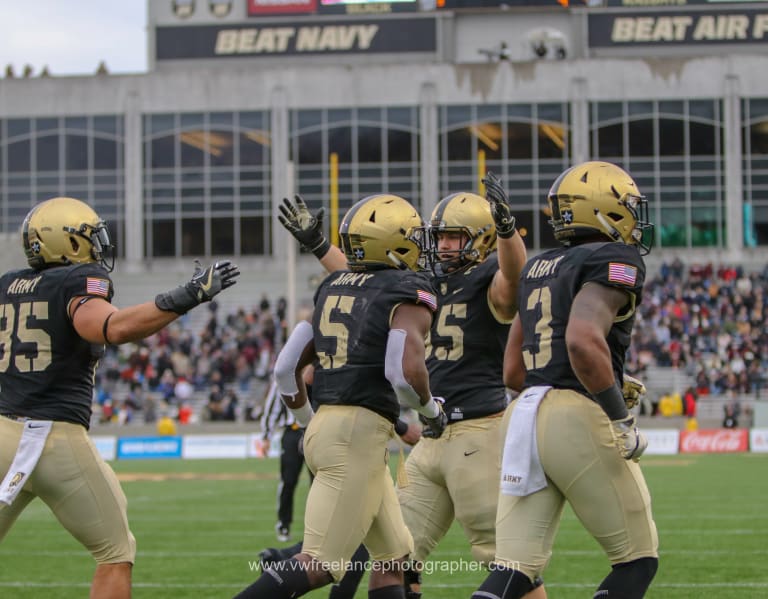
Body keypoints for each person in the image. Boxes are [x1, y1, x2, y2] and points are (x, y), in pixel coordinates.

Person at [278, 179, 546, 599]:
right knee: (395, 559)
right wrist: (317, 244)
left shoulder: (489, 280)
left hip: (479, 434)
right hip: (430, 439)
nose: (443, 246)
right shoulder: (416, 282)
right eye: (439, 237)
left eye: (454, 236)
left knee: (508, 562)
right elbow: (359, 284)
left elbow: (513, 276)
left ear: (482, 238)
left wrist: (509, 230)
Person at [0, 196, 239, 599]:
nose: (99, 245)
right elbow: (107, 327)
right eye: (90, 237)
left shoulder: (8, 284)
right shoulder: (78, 280)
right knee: (115, 550)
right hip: (53, 438)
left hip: (3, 432)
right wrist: (187, 295)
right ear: (69, 242)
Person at [235, 194, 447, 599]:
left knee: (392, 557)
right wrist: (431, 411)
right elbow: (401, 374)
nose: (421, 246)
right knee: (321, 564)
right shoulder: (408, 291)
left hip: (329, 424)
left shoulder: (333, 285)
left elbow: (285, 367)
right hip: (357, 434)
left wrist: (305, 422)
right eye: (413, 237)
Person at [471, 161, 659, 599]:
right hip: (576, 414)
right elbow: (580, 341)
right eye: (628, 206)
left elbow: (513, 371)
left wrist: (606, 374)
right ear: (606, 210)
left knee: (512, 571)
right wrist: (619, 419)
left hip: (524, 415)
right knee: (637, 559)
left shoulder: (538, 266)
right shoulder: (614, 257)